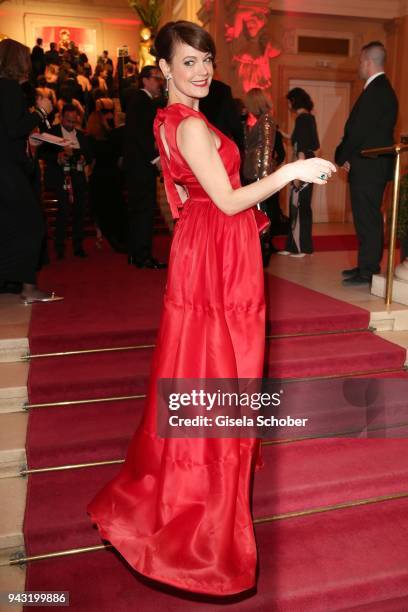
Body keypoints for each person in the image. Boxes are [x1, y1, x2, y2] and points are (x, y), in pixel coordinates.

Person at [87, 20, 335, 596]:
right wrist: (291, 171)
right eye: (189, 62)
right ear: (166, 69)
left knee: (200, 361)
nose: (201, 70)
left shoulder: (164, 120)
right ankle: (201, 504)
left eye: (205, 60)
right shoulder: (191, 124)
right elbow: (225, 199)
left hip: (206, 248)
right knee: (222, 362)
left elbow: (176, 194)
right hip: (220, 249)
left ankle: (190, 475)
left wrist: (192, 229)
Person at [0, 38, 61, 303]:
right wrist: (40, 111)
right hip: (8, 170)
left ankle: (12, 283)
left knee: (9, 226)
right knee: (32, 225)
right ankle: (27, 288)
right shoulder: (10, 88)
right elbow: (15, 128)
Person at [335, 41, 398, 286]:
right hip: (368, 164)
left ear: (368, 62)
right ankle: (365, 265)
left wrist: (341, 156)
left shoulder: (379, 90)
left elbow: (358, 131)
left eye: (361, 61)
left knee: (369, 219)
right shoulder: (378, 89)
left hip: (370, 167)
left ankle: (369, 270)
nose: (359, 65)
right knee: (364, 218)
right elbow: (364, 131)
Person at [124, 65, 166, 268]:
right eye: (157, 78)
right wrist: (155, 159)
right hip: (141, 166)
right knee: (144, 211)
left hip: (137, 165)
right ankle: (142, 256)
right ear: (145, 80)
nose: (160, 83)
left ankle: (136, 254)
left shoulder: (140, 101)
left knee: (140, 211)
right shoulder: (141, 101)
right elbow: (141, 135)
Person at [40, 104, 92, 259]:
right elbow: (42, 153)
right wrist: (58, 157)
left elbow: (89, 154)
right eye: (67, 120)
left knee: (79, 212)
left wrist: (84, 158)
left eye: (73, 121)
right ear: (61, 118)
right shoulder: (52, 133)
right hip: (59, 178)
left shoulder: (81, 135)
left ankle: (78, 246)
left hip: (78, 177)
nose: (70, 124)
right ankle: (60, 247)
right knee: (63, 212)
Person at [279, 87, 320, 258]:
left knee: (298, 206)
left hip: (302, 164)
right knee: (301, 205)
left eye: (289, 101)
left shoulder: (302, 119)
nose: (288, 105)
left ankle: (299, 247)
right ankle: (297, 246)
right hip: (306, 162)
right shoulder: (308, 118)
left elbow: (301, 147)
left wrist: (298, 174)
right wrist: (283, 134)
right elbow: (310, 142)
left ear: (294, 101)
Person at [242, 87, 280, 265]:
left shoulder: (265, 121)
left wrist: (264, 178)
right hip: (256, 172)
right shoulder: (261, 121)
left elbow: (267, 148)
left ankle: (262, 253)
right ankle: (260, 250)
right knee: (259, 212)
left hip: (259, 173)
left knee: (261, 213)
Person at [87, 98, 127, 251]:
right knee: (114, 207)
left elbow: (91, 161)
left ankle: (108, 237)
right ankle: (116, 238)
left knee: (103, 209)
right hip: (112, 177)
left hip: (100, 178)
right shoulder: (109, 137)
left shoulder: (92, 140)